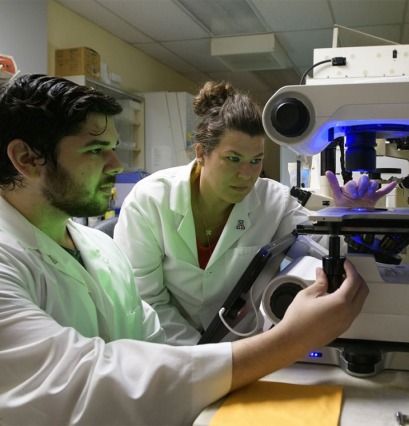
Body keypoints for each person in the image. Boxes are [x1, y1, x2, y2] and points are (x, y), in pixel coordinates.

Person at [0, 74, 369, 424]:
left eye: (112, 148)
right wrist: (288, 342)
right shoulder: (8, 261)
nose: (118, 164)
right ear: (27, 159)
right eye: (97, 149)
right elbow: (85, 384)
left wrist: (348, 217)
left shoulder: (96, 245)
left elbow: (147, 341)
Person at [114, 80, 396, 345]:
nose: (246, 174)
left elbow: (323, 249)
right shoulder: (149, 200)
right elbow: (145, 300)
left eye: (256, 160)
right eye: (233, 159)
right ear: (201, 153)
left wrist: (347, 218)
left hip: (243, 339)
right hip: (168, 344)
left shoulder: (274, 200)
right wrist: (201, 355)